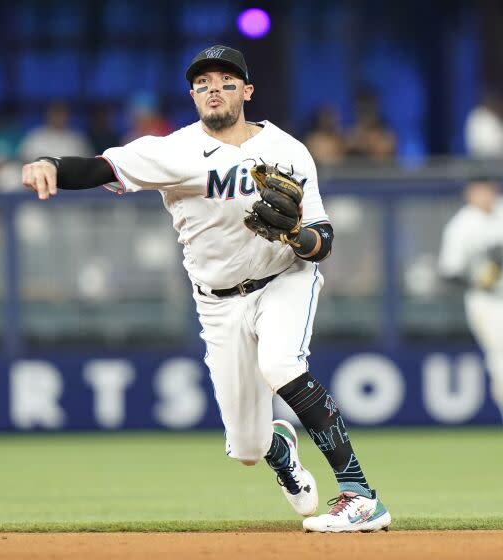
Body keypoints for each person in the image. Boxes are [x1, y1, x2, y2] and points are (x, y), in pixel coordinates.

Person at [21, 45, 391, 533]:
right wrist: (50, 162)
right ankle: (279, 446)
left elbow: (323, 242)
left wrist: (295, 237)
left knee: (281, 364)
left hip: (284, 278)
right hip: (217, 302)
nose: (214, 88)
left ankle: (361, 495)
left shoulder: (288, 150)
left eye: (226, 80)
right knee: (247, 449)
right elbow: (101, 168)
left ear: (247, 91)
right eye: (203, 83)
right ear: (193, 95)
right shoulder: (172, 151)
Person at [439, 179, 503, 419]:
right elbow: (449, 273)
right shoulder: (462, 225)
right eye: (479, 191)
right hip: (487, 303)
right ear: (470, 194)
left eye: (489, 189)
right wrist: (481, 280)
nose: (485, 195)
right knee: (500, 360)